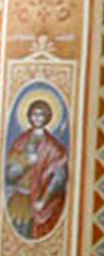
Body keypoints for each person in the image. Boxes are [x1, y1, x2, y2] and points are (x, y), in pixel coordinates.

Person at [4, 97, 69, 240]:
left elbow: (59, 179)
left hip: (40, 201)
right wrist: (25, 162)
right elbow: (8, 173)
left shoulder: (54, 147)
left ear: (47, 117)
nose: (37, 118)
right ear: (29, 116)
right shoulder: (21, 141)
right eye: (34, 114)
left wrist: (44, 200)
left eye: (41, 114)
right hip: (19, 197)